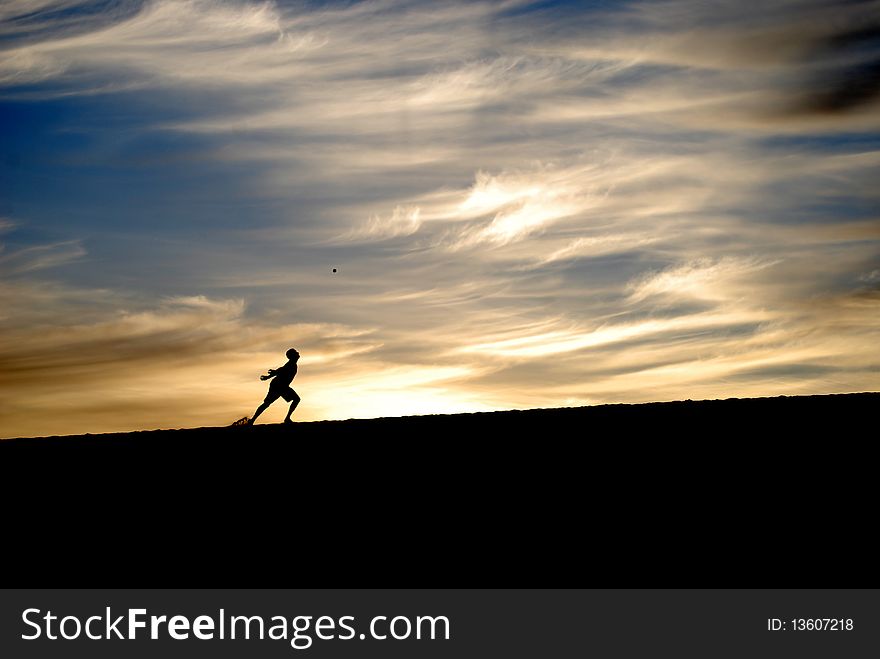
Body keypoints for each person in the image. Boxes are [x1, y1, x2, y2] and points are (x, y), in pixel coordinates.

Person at [248, 348, 301, 425]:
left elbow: (280, 370)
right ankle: (252, 420)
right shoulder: (291, 364)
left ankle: (252, 420)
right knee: (295, 399)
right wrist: (270, 375)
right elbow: (281, 370)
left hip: (281, 386)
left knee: (295, 399)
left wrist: (268, 376)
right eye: (296, 352)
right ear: (292, 356)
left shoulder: (292, 364)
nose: (298, 353)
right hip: (278, 385)